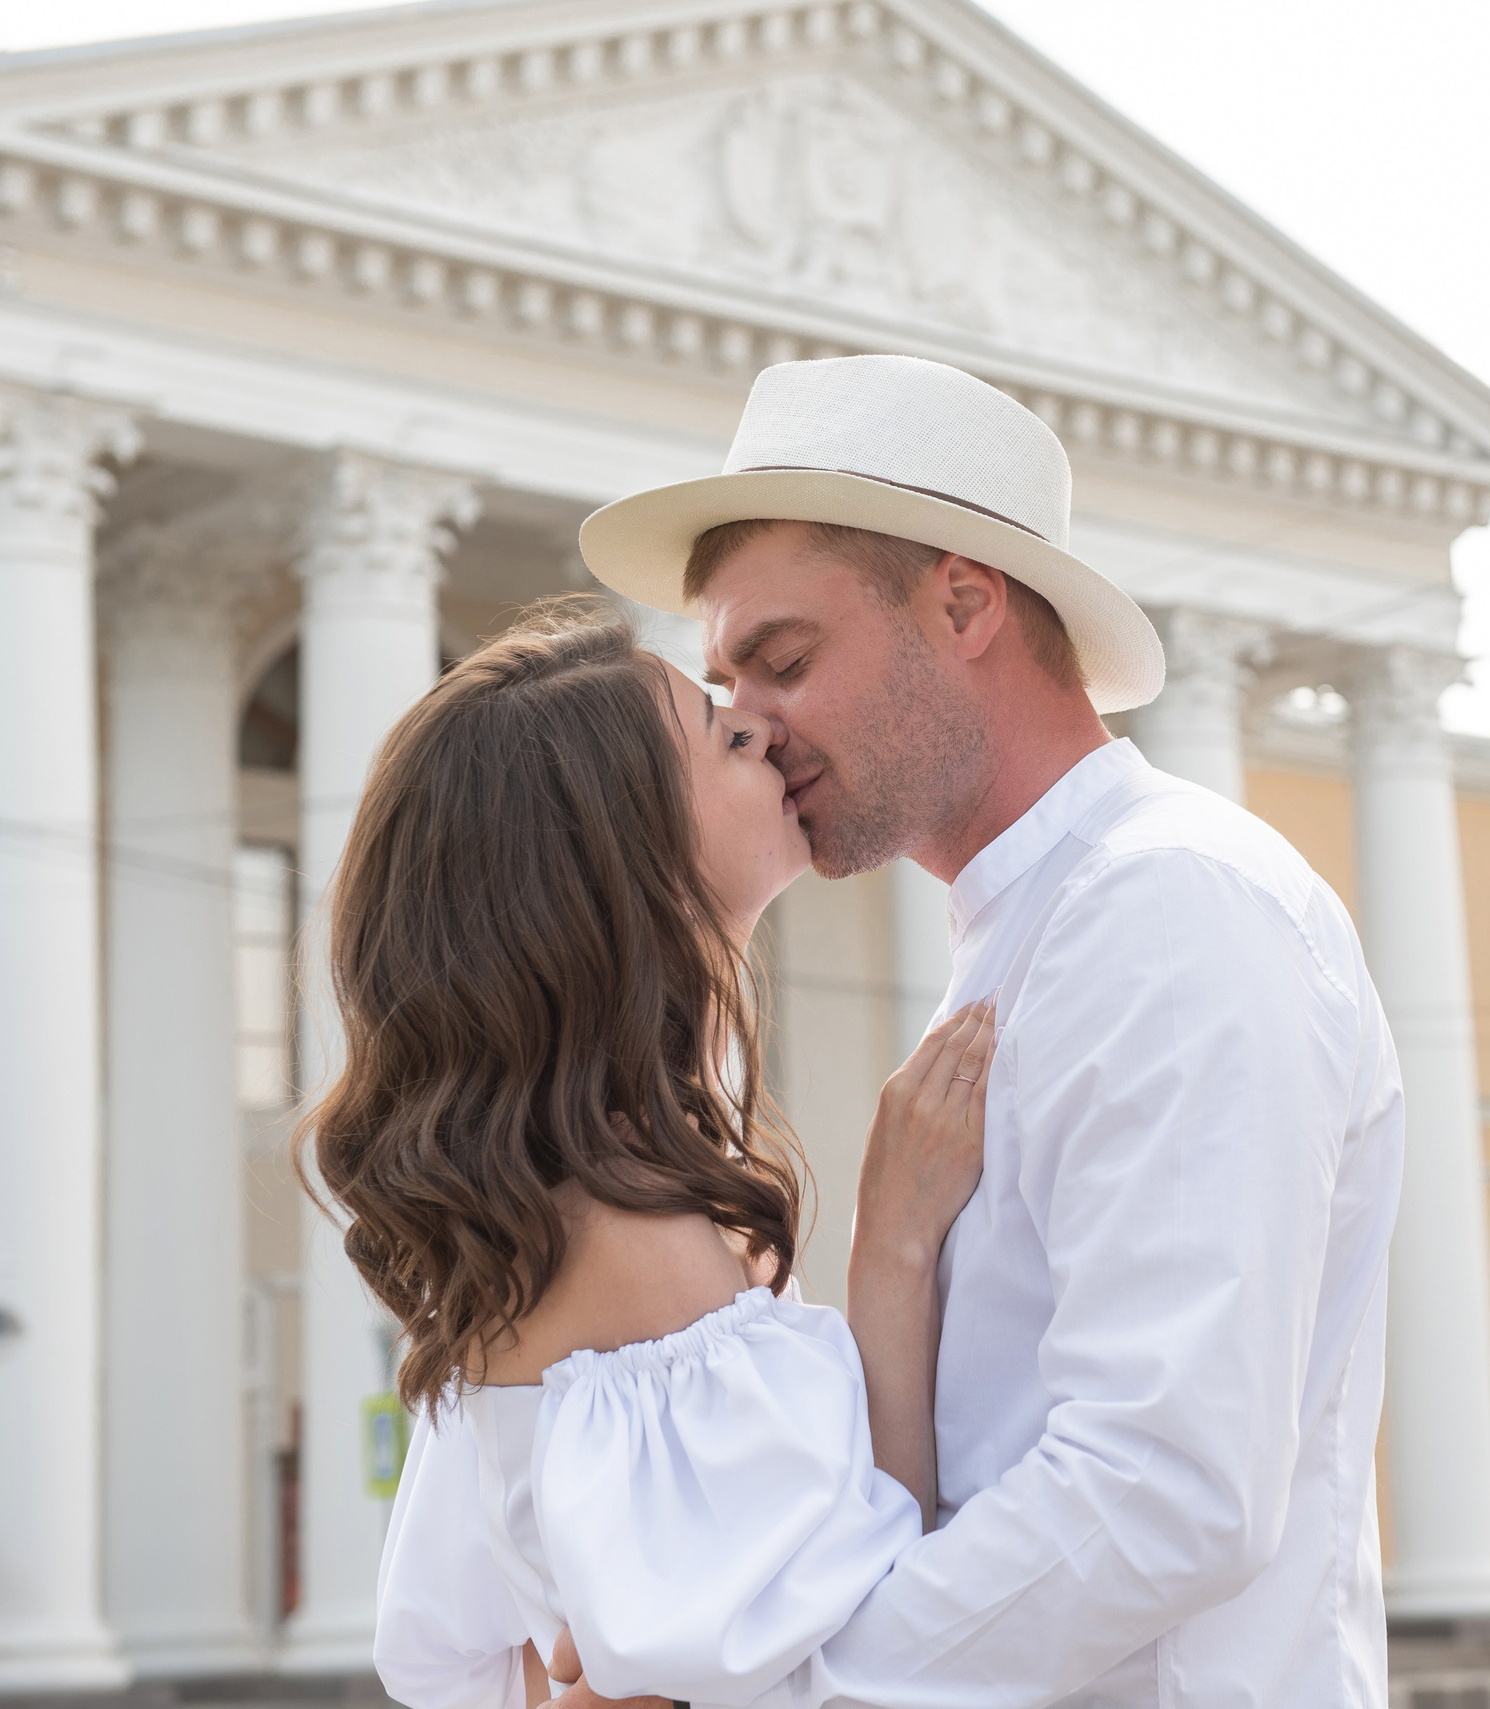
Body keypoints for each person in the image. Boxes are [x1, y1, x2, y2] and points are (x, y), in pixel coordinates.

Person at [560, 354, 1406, 1707]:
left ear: (963, 603)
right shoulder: (1038, 930)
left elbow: (1163, 1489)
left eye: (785, 662)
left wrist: (790, 1685)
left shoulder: (1170, 906)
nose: (750, 730)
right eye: (727, 685)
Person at [311, 608, 1000, 1708]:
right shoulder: (630, 1237)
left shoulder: (586, 1199)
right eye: (723, 734)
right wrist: (896, 1242)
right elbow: (863, 1621)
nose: (763, 731)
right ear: (625, 856)